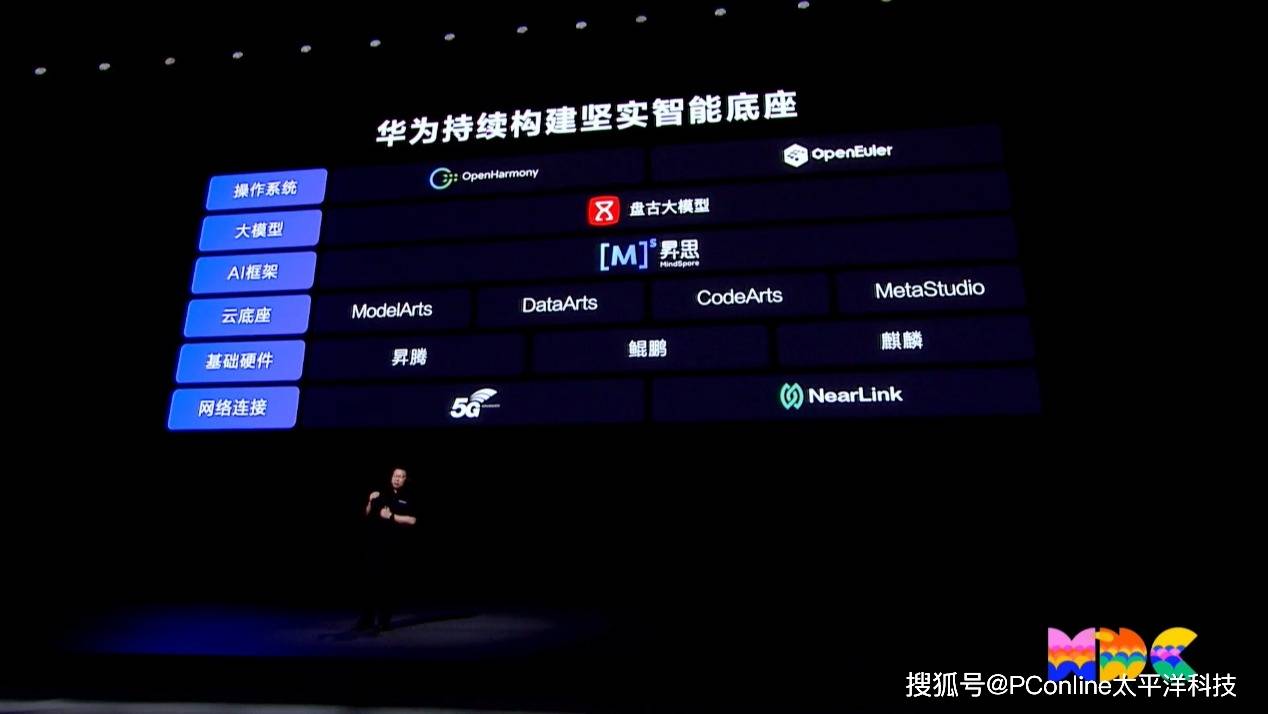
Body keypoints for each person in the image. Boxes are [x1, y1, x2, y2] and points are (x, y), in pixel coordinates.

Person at [355, 467, 417, 632]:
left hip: (395, 547)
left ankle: (384, 620)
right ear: (391, 477)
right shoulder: (381, 494)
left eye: (401, 476)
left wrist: (391, 516)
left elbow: (412, 520)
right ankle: (366, 619)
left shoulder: (409, 497)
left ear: (405, 479)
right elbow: (366, 514)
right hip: (376, 546)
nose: (397, 478)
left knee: (388, 585)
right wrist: (369, 501)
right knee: (370, 582)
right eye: (395, 475)